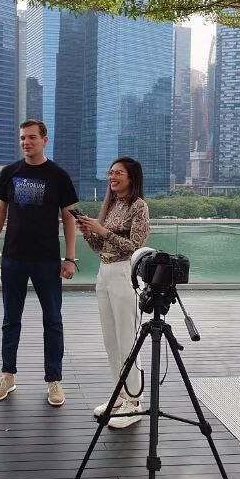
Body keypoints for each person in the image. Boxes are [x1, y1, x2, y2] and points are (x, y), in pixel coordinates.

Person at [0, 119, 79, 406]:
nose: (27, 142)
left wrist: (70, 258)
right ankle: (8, 375)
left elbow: (69, 218)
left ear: (45, 140)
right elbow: (0, 214)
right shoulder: (9, 172)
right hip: (13, 258)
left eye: (32, 138)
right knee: (10, 320)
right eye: (23, 138)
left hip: (47, 261)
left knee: (53, 320)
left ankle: (54, 380)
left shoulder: (58, 175)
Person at [76, 157, 151, 429]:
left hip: (124, 273)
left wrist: (103, 231)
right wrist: (88, 231)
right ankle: (120, 397)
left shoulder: (138, 206)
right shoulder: (110, 204)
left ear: (131, 177)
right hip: (104, 272)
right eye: (110, 172)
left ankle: (135, 402)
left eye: (118, 173)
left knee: (127, 339)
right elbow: (99, 247)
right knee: (111, 340)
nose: (112, 177)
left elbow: (135, 246)